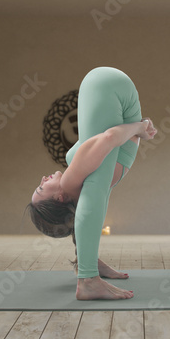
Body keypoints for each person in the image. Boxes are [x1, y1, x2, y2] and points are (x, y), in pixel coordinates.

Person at [25, 67, 156, 300]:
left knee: (93, 201)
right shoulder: (74, 180)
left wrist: (140, 128)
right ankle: (87, 280)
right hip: (106, 89)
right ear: (60, 198)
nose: (43, 179)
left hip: (108, 90)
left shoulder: (94, 186)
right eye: (41, 188)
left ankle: (89, 267)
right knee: (93, 201)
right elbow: (108, 137)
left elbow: (86, 217)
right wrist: (139, 127)